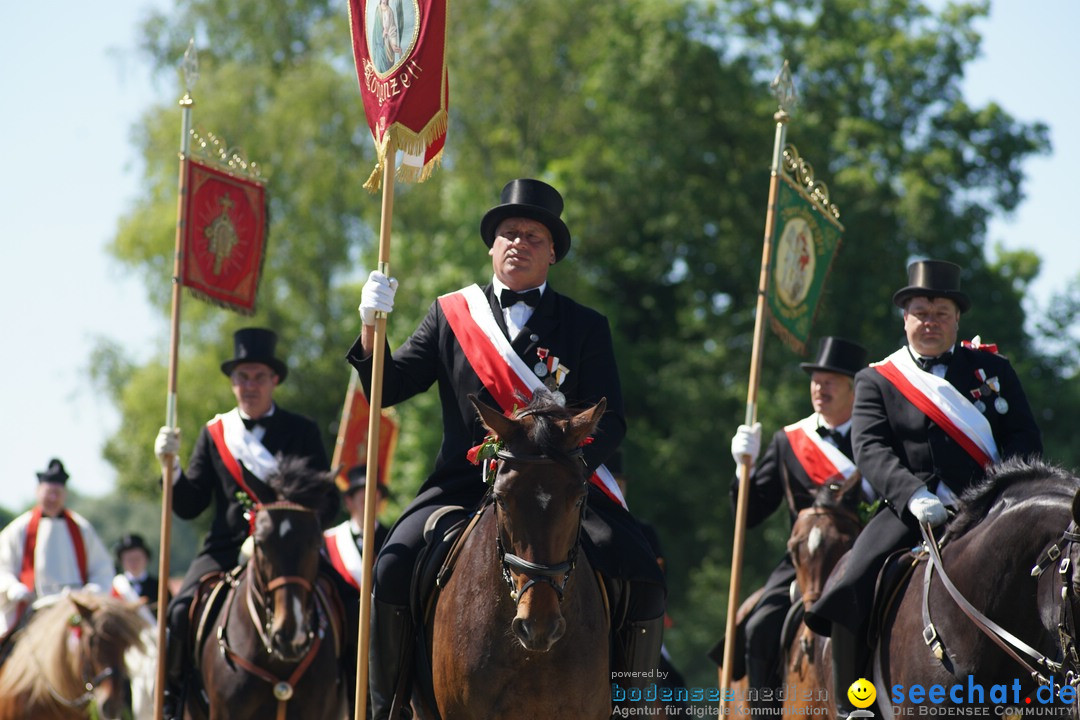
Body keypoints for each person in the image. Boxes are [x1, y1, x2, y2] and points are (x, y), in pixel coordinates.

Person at [349, 178, 666, 719]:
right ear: (492, 246)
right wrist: (370, 327)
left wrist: (567, 466)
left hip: (560, 486)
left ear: (552, 254)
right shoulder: (451, 316)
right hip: (463, 485)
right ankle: (388, 707)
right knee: (391, 564)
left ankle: (635, 707)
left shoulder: (586, 326)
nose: (519, 243)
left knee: (640, 567)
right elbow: (388, 389)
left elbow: (611, 422)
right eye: (509, 233)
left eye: (534, 236)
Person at [804, 260, 1042, 716]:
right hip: (910, 510)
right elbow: (870, 448)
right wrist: (914, 496)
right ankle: (856, 704)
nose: (930, 321)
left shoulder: (991, 369)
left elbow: (1024, 439)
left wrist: (993, 494)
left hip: (989, 508)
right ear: (905, 317)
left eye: (941, 313)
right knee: (852, 581)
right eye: (920, 312)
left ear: (957, 320)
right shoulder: (876, 379)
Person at [153, 327, 333, 719]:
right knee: (179, 611)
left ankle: (360, 696)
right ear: (233, 383)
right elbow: (188, 504)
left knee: (349, 601)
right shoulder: (215, 434)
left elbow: (327, 502)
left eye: (258, 377)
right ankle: (172, 699)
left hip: (291, 550)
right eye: (242, 378)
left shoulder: (303, 431)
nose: (250, 386)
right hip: (227, 547)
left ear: (274, 381)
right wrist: (171, 469)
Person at [723, 336, 870, 719]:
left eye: (831, 380)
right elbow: (749, 514)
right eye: (815, 380)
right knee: (758, 625)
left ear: (855, 388)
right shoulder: (790, 441)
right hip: (803, 562)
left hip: (864, 553)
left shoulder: (876, 438)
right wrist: (743, 468)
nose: (820, 388)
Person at [0, 459, 114, 638]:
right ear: (38, 492)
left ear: (65, 495)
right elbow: (3, 567)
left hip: (73, 609)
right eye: (48, 492)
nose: (53, 498)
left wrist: (92, 591)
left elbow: (102, 569)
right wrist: (13, 588)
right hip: (32, 609)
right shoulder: (19, 529)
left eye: (57, 493)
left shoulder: (82, 529)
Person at [324, 464, 390, 592]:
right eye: (364, 501)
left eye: (375, 501)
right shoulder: (329, 540)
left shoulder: (391, 537)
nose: (371, 507)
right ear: (349, 501)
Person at [111, 532, 167, 620]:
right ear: (121, 561)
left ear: (146, 558)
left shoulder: (160, 586)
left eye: (137, 558)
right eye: (129, 559)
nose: (134, 562)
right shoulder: (114, 587)